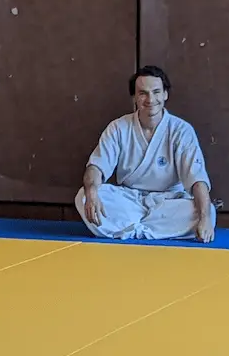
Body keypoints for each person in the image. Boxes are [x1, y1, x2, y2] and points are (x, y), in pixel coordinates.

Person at [75, 65, 216, 243]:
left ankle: (130, 228)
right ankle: (154, 229)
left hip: (168, 203)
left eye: (156, 92)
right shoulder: (118, 127)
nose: (150, 99)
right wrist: (92, 192)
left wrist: (205, 218)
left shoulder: (181, 130)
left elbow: (197, 178)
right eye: (143, 93)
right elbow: (96, 167)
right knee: (83, 196)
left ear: (165, 94)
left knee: (206, 210)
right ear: (134, 97)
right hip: (129, 200)